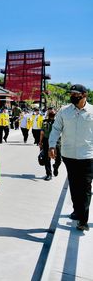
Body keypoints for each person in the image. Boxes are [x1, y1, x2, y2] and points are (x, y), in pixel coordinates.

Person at [49, 84, 93, 231]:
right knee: (74, 185)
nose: (72, 96)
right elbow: (56, 129)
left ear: (84, 95)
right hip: (69, 155)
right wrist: (52, 145)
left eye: (76, 94)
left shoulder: (92, 111)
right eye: (71, 94)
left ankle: (83, 220)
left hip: (88, 155)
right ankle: (77, 210)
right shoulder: (64, 111)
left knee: (86, 187)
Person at [39, 108, 61, 181]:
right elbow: (42, 133)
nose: (52, 113)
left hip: (56, 141)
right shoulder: (44, 122)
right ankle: (49, 174)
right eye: (50, 112)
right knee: (46, 158)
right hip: (46, 141)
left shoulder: (58, 122)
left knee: (58, 158)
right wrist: (40, 142)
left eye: (53, 112)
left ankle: (55, 167)